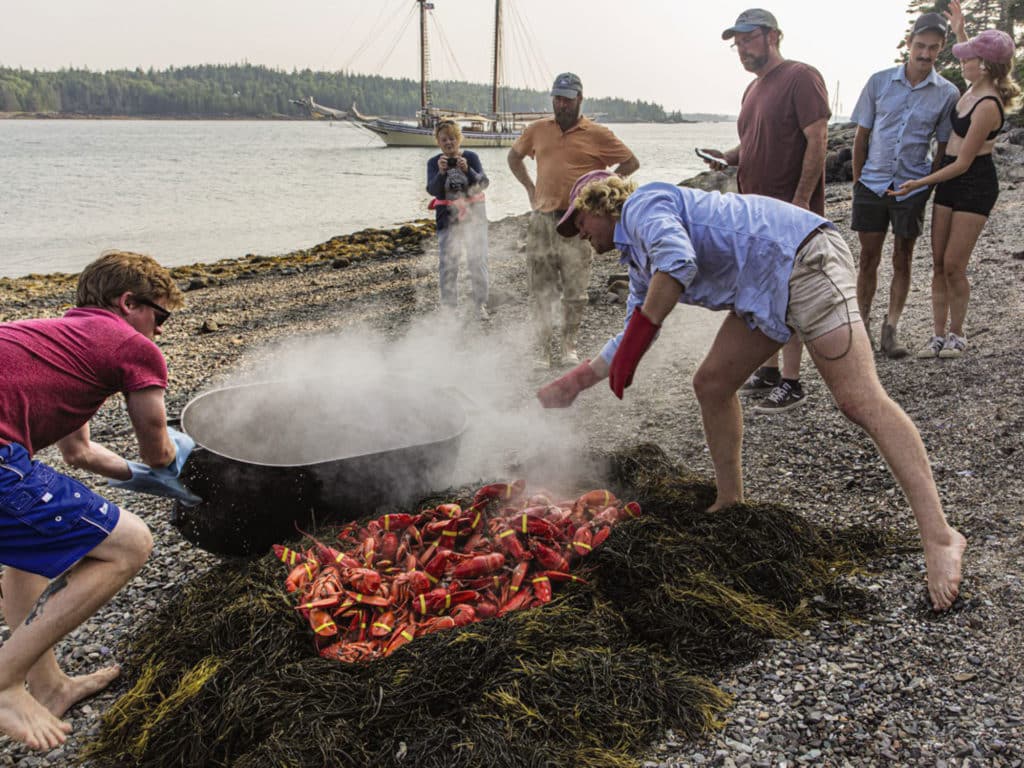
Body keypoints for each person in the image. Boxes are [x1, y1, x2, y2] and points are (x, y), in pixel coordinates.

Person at [537, 171, 966, 612]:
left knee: (860, 401)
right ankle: (730, 502)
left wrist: (641, 332)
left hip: (803, 259)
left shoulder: (643, 206)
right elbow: (633, 330)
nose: (580, 235)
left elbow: (678, 263)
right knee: (711, 384)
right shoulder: (637, 256)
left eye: (579, 222)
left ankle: (940, 537)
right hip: (761, 289)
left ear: (598, 204)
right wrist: (577, 382)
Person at [0, 251, 193, 750]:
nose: (159, 332)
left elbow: (80, 453)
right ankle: (4, 683)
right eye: (160, 316)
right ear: (129, 303)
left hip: (8, 455)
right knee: (130, 544)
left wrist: (140, 477)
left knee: (30, 557)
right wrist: (187, 467)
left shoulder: (66, 341)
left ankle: (49, 686)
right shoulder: (132, 346)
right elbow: (159, 448)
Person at [700, 8, 830, 413]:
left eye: (748, 39)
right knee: (761, 290)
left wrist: (802, 200)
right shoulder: (753, 90)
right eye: (737, 43)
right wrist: (729, 157)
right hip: (753, 213)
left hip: (789, 211)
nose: (741, 49)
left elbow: (818, 139)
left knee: (789, 293)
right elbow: (756, 142)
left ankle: (792, 381)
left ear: (773, 36)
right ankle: (769, 370)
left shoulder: (800, 77)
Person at [891, 2, 1019, 360]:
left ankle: (958, 334)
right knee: (936, 262)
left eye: (967, 59)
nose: (961, 63)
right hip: (948, 178)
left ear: (986, 65)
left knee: (953, 265)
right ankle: (936, 335)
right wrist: (961, 29)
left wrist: (920, 183)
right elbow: (972, 59)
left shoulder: (989, 103)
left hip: (973, 181)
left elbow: (963, 163)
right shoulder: (973, 85)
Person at [507, 72, 639, 368]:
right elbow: (513, 157)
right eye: (557, 98)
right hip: (542, 219)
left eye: (567, 99)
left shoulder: (597, 133)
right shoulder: (538, 130)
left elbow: (631, 161)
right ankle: (542, 351)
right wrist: (530, 188)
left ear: (579, 99)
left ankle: (568, 346)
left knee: (575, 290)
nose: (561, 105)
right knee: (539, 289)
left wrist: (607, 190)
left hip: (579, 223)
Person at [850, 12, 960, 358]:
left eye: (933, 48)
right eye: (920, 46)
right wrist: (857, 182)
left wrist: (926, 185)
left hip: (912, 186)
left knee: (903, 258)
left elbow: (943, 145)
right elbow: (861, 136)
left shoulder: (947, 93)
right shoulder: (879, 82)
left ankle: (891, 328)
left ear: (941, 49)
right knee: (868, 258)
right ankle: (862, 327)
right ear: (909, 44)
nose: (925, 54)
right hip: (871, 183)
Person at [426, 119, 491, 320]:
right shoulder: (433, 163)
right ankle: (449, 309)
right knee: (448, 263)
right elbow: (433, 191)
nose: (449, 143)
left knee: (477, 260)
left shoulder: (471, 157)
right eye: (444, 139)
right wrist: (441, 172)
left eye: (452, 138)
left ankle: (479, 304)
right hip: (447, 219)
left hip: (474, 217)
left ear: (459, 139)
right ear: (438, 141)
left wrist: (468, 170)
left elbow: (483, 183)